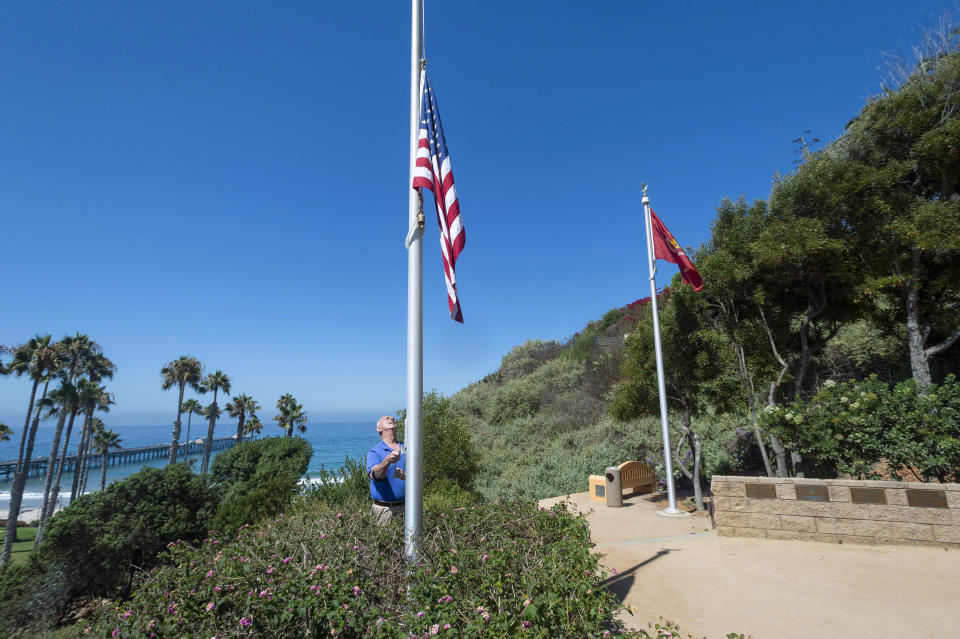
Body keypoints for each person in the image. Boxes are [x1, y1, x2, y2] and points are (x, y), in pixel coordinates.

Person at [366, 415, 405, 525]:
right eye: (387, 418)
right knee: (384, 542)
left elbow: (423, 476)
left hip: (408, 508)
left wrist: (406, 476)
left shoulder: (408, 449)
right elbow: (375, 476)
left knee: (412, 541)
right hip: (384, 510)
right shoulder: (374, 452)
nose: (391, 418)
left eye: (393, 418)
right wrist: (387, 461)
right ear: (379, 428)